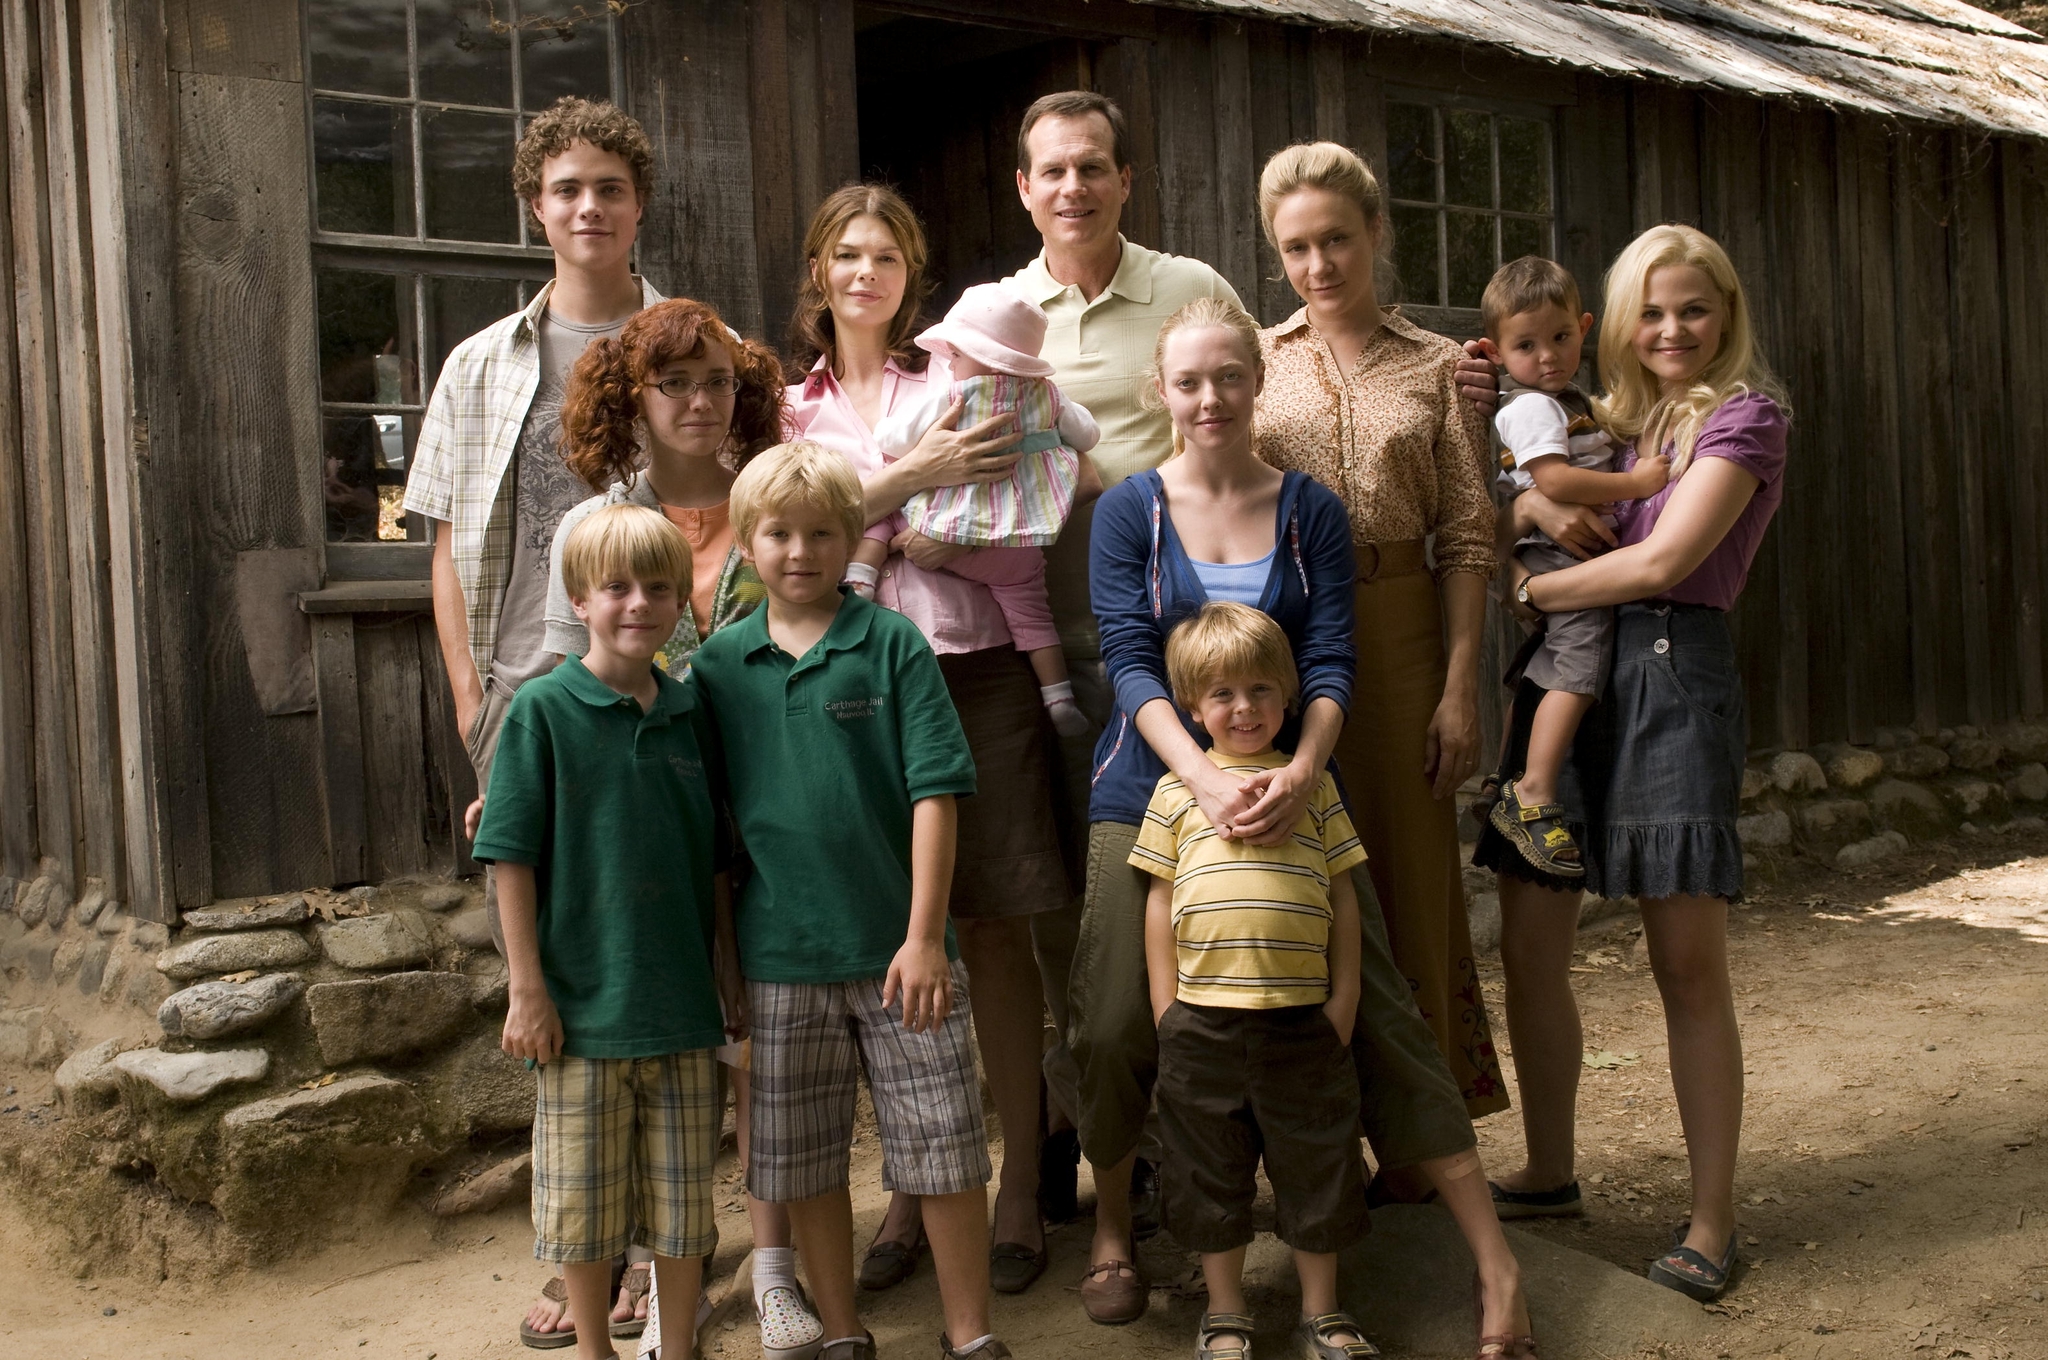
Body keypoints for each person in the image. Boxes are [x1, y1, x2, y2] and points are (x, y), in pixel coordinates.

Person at [1078, 298, 1534, 1352]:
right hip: (1149, 790)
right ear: (1160, 390)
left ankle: (1493, 1263)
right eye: (1186, 381)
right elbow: (1126, 657)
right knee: (1112, 1019)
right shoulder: (1128, 511)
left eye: (1227, 378)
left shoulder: (1307, 511)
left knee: (1374, 1001)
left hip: (1291, 793)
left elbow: (1329, 658)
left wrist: (1300, 773)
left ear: (1256, 384)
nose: (1207, 400)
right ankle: (1113, 1220)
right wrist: (1197, 775)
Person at [400, 95, 667, 1348]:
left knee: (663, 963)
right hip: (524, 693)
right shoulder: (480, 362)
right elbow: (451, 543)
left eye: (608, 186)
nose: (587, 207)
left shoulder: (684, 343)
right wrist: (469, 691)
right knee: (549, 981)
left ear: (636, 203)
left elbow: (722, 506)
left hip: (660, 693)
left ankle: (658, 1263)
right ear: (536, 206)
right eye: (565, 187)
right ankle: (581, 1261)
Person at [1482, 225, 1789, 1305]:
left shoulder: (1744, 419)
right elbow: (1516, 495)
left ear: (1725, 314)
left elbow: (1660, 558)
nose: (1670, 330)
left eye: (1692, 309)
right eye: (1649, 311)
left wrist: (1532, 586)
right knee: (1528, 941)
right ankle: (1548, 1166)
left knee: (1683, 962)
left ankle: (1711, 1218)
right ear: (1617, 322)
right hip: (1568, 679)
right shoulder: (1596, 420)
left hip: (1667, 673)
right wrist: (1524, 504)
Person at [786, 184, 1069, 1296]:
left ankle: (1013, 1179)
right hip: (850, 682)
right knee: (887, 934)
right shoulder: (787, 408)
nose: (866, 274)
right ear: (821, 271)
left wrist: (878, 520)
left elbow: (1016, 485)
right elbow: (789, 534)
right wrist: (902, 484)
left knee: (992, 925)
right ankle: (910, 1183)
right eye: (846, 254)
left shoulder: (950, 376)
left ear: (912, 275)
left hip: (972, 666)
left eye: (888, 257)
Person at [998, 85, 1248, 1285]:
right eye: (1051, 171)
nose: (1073, 188)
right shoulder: (996, 314)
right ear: (1024, 187)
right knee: (1066, 912)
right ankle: (1067, 1131)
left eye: (1092, 166)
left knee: (1186, 903)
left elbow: (1268, 395)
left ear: (1124, 179)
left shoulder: (1191, 286)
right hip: (1038, 640)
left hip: (1175, 645)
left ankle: (1171, 1151)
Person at [542, 298, 824, 1360]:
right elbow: (558, 660)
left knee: (762, 1052)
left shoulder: (773, 501)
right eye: (673, 385)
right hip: (654, 822)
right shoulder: (601, 525)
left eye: (715, 381)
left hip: (771, 810)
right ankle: (654, 1280)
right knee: (652, 1051)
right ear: (634, 400)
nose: (698, 402)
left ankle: (776, 1271)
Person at [688, 442, 1008, 1360]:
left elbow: (936, 791)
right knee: (804, 1159)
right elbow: (713, 836)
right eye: (779, 534)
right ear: (747, 544)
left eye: (823, 531)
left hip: (903, 952)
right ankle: (842, 1331)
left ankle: (969, 1332)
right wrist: (727, 963)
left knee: (943, 1148)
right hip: (780, 957)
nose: (800, 551)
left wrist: (924, 939)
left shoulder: (891, 641)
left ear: (852, 537)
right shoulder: (717, 669)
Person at [1251, 142, 1512, 1155]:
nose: (1319, 266)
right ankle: (1316, 1145)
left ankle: (1423, 1146)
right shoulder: (1258, 362)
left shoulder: (1442, 367)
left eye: (1336, 241)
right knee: (1301, 887)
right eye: (1296, 247)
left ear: (1375, 237)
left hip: (1405, 633)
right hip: (1289, 634)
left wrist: (1457, 689)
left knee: (1412, 886)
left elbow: (1465, 532)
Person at [474, 504, 744, 1360]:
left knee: (681, 1205)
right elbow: (508, 855)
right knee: (583, 1210)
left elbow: (715, 863)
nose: (639, 605)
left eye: (659, 589)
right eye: (617, 588)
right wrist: (528, 990)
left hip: (680, 1009)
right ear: (580, 601)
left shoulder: (690, 711)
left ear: (680, 607)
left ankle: (673, 1344)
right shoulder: (544, 712)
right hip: (580, 1016)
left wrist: (727, 976)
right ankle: (594, 1348)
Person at [1136, 601, 1380, 1360]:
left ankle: (1323, 1313)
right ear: (1191, 707)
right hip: (1201, 1024)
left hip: (1302, 1021)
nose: (1244, 708)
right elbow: (1158, 903)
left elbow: (1343, 897)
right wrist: (1164, 1006)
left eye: (1262, 691)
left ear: (1289, 693)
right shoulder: (1179, 794)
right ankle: (1226, 1311)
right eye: (1223, 694)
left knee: (1319, 1166)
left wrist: (1342, 1004)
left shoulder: (1311, 788)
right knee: (1208, 1172)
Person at [1478, 257, 1669, 877]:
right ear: (1499, 353)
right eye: (1526, 345)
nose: (1548, 356)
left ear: (1584, 328)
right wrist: (1637, 480)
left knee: (1547, 664)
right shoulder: (1530, 407)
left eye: (1560, 338)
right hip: (1557, 555)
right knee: (1580, 662)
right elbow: (1553, 478)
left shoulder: (1569, 401)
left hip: (1565, 548)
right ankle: (1531, 791)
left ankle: (1503, 770)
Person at [854, 283, 1102, 738]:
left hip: (947, 524)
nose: (950, 361)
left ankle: (862, 575)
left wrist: (897, 443)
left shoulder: (954, 395)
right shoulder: (1048, 395)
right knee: (1032, 616)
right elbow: (1087, 436)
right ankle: (1059, 695)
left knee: (888, 507)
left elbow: (893, 439)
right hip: (1019, 544)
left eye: (956, 353)